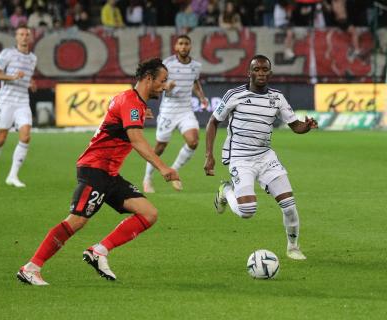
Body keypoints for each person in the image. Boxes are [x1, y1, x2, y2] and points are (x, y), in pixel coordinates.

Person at [17, 58, 180, 285]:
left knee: (148, 213)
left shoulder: (133, 102)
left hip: (109, 173)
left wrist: (139, 113)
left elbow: (120, 119)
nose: (165, 86)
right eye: (162, 81)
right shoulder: (131, 103)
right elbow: (136, 140)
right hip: (95, 168)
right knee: (76, 221)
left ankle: (99, 251)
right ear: (148, 79)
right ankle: (31, 268)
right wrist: (162, 167)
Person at [203, 55, 318, 260]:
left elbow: (295, 126)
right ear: (249, 73)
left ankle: (293, 247)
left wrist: (306, 126)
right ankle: (226, 190)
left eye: (265, 70)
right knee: (247, 211)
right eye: (257, 69)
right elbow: (213, 122)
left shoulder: (277, 98)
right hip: (240, 158)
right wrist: (209, 155)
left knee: (289, 206)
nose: (261, 73)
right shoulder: (234, 95)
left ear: (270, 73)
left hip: (265, 157)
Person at [143, 35, 208, 193]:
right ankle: (147, 178)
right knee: (160, 147)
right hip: (168, 110)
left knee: (193, 142)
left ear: (190, 46)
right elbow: (156, 85)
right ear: (176, 47)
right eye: (181, 44)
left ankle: (174, 170)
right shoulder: (167, 64)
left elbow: (195, 83)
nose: (184, 47)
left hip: (186, 109)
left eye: (186, 44)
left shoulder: (195, 66)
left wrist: (202, 97)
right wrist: (166, 86)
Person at [0, 26, 37, 188]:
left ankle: (12, 176)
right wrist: (13, 77)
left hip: (22, 102)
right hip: (6, 101)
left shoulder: (33, 58)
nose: (24, 37)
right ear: (16, 37)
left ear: (30, 37)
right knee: (1, 139)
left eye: (27, 34)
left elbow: (26, 79)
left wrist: (30, 83)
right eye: (21, 34)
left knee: (26, 136)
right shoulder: (7, 54)